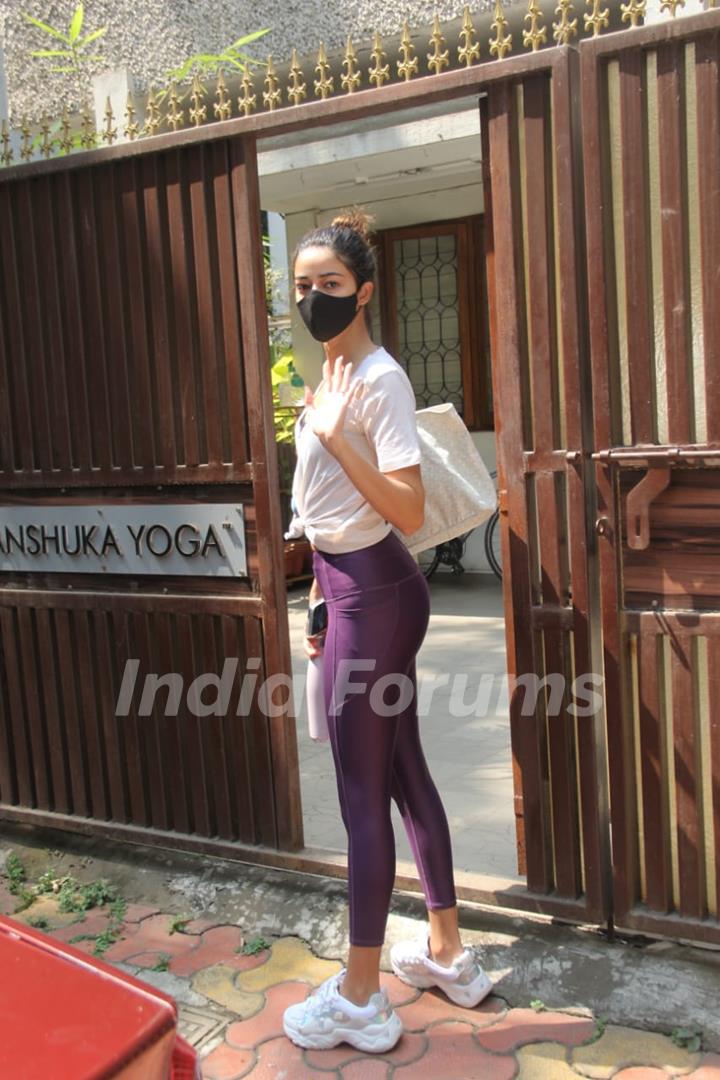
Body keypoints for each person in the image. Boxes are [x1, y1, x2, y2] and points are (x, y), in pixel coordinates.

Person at [282, 209, 493, 1054]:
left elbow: (404, 507)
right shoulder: (332, 371)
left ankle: (361, 999)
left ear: (365, 290)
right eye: (302, 286)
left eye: (330, 285)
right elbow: (323, 514)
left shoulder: (376, 379)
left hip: (378, 591)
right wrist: (318, 603)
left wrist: (336, 436)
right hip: (351, 591)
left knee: (360, 794)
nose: (314, 298)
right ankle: (446, 953)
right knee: (400, 771)